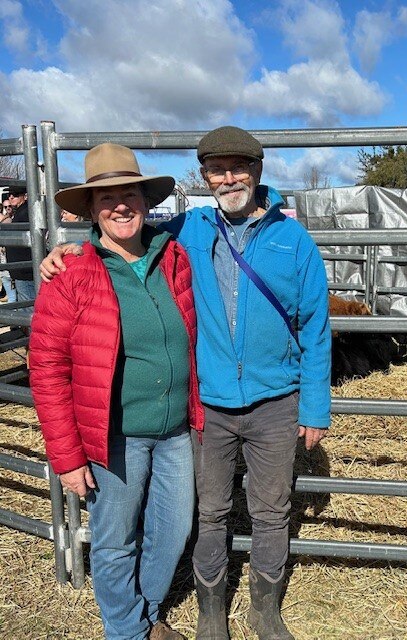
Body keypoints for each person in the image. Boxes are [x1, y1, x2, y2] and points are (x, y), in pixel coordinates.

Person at [40, 127, 332, 640]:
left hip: (267, 404)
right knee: (208, 512)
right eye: (217, 169)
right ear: (204, 177)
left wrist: (314, 404)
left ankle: (263, 610)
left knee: (265, 510)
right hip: (203, 408)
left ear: (259, 170)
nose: (228, 177)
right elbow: (51, 363)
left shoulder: (289, 239)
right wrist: (60, 253)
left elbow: (315, 324)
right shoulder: (187, 230)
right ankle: (206, 611)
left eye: (238, 166)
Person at [30, 143, 204, 640]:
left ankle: (141, 617)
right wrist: (67, 457)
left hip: (172, 431)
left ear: (146, 202)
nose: (121, 205)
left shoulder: (171, 255)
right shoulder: (72, 274)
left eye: (129, 193)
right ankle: (127, 631)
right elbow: (46, 368)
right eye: (106, 198)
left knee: (172, 534)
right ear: (91, 210)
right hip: (112, 437)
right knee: (114, 542)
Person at [5, 186, 35, 312]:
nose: (11, 197)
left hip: (25, 271)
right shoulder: (21, 211)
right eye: (10, 194)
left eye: (15, 194)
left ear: (25, 196)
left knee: (29, 308)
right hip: (22, 270)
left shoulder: (25, 212)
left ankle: (31, 331)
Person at [0, 198, 16, 303]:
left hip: (6, 261)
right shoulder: (8, 221)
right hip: (5, 262)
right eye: (6, 207)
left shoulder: (8, 221)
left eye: (9, 206)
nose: (8, 208)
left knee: (12, 296)